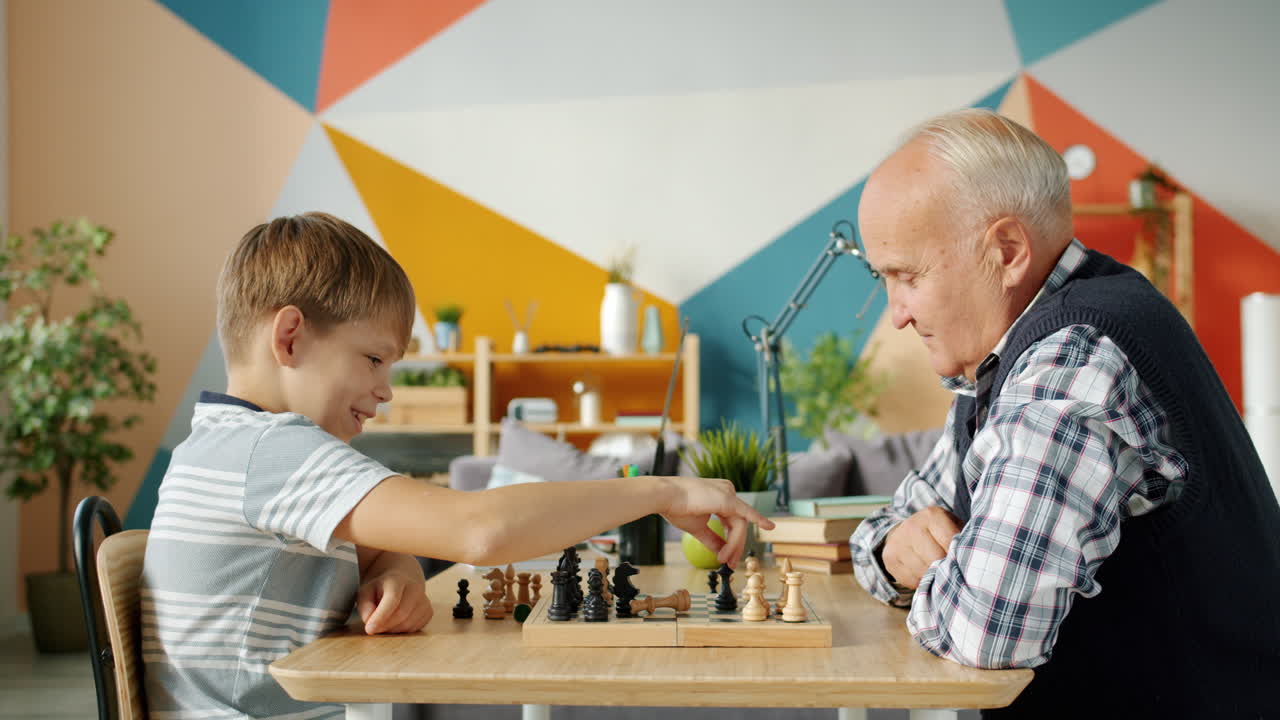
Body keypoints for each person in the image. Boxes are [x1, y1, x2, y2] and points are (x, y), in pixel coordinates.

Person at [140, 212, 773, 719]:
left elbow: (380, 549)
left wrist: (399, 567)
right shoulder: (269, 450)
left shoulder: (230, 448)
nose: (387, 390)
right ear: (290, 337)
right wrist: (661, 492)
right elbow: (481, 532)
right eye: (373, 359)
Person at [847, 109, 1280, 717]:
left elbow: (988, 631)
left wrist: (934, 569)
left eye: (907, 276)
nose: (896, 314)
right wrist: (895, 552)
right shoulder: (1005, 363)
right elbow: (892, 524)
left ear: (1007, 250)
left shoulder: (1072, 364)